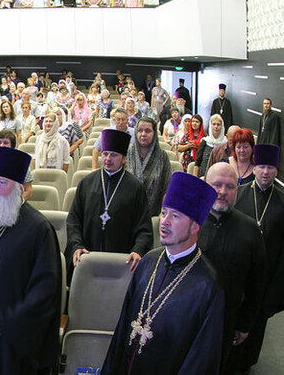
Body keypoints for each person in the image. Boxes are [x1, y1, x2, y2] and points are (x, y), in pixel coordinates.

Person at [102, 172, 224, 374]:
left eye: (175, 216)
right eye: (164, 212)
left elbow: (201, 360)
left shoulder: (208, 286)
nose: (164, 222)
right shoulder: (148, 261)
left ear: (195, 226)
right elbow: (123, 328)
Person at [0, 146, 61, 374]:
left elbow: (46, 291)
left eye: (2, 183)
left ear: (19, 189)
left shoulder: (39, 230)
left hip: (13, 337)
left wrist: (9, 323)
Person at [200, 162, 267, 370]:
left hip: (229, 321)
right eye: (216, 185)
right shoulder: (189, 223)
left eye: (230, 186)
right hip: (190, 317)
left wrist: (245, 324)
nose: (222, 191)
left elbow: (258, 283)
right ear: (205, 186)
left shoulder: (250, 230)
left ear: (237, 190)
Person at [66, 129, 153, 277]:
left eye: (114, 155)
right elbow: (74, 220)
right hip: (87, 259)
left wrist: (138, 249)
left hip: (121, 263)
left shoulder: (135, 187)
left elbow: (144, 228)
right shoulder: (87, 183)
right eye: (105, 153)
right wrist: (76, 245)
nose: (107, 159)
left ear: (124, 158)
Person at [231, 144, 284, 373]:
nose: (265, 172)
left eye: (270, 167)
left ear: (276, 171)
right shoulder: (239, 195)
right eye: (261, 166)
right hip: (237, 278)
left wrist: (274, 293)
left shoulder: (282, 203)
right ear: (254, 168)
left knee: (253, 335)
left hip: (265, 284)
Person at [127, 117, 172, 217]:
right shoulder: (127, 153)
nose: (143, 134)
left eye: (148, 131)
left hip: (154, 214)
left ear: (154, 134)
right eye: (140, 131)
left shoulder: (162, 157)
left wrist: (163, 211)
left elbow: (167, 188)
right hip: (128, 212)